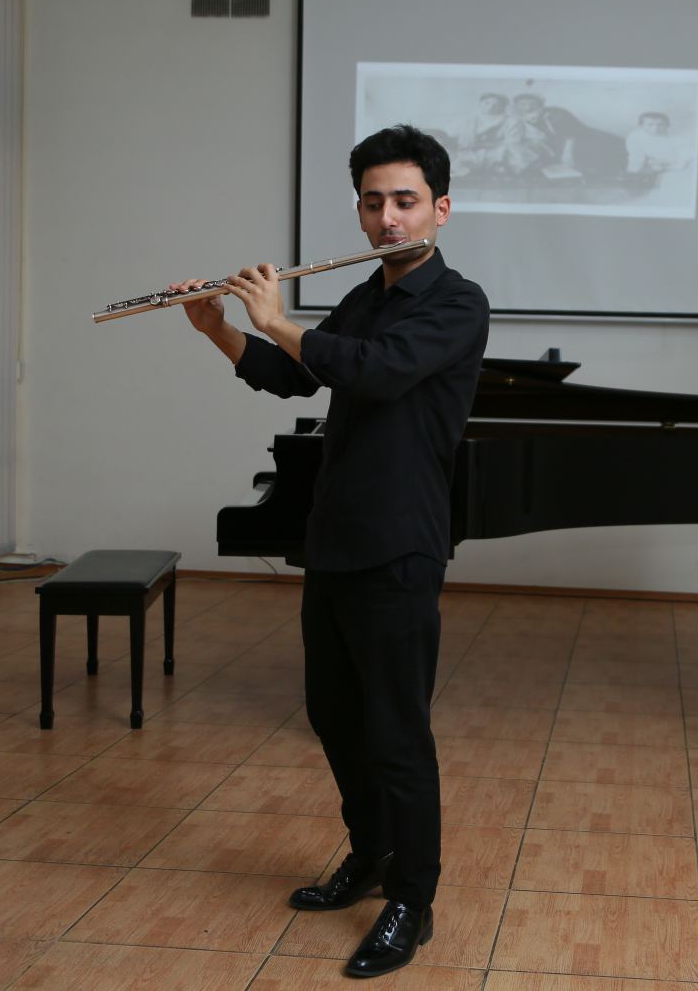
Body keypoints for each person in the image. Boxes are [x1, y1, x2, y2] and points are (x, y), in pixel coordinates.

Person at [168, 125, 489, 978]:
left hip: (401, 544)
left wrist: (277, 317)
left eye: (405, 201)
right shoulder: (363, 296)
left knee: (396, 732)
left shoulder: (459, 304)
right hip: (336, 537)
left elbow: (374, 372)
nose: (388, 218)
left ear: (442, 209)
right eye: (374, 202)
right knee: (334, 715)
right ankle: (371, 855)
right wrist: (218, 329)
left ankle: (412, 899)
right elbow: (296, 375)